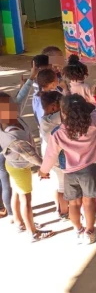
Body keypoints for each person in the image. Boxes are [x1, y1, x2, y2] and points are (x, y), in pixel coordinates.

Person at [39, 72, 96, 245]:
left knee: (74, 204)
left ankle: (78, 230)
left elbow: (51, 155)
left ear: (62, 112)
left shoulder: (58, 133)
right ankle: (91, 231)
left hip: (69, 172)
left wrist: (43, 171)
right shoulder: (92, 122)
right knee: (88, 202)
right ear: (85, 109)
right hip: (89, 170)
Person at [0, 65, 54, 242]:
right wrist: (45, 167)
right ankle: (33, 232)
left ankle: (19, 222)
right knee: (26, 199)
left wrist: (31, 78)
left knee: (17, 192)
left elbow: (21, 98)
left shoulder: (11, 117)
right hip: (19, 166)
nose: (15, 105)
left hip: (13, 165)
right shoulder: (13, 135)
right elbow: (30, 154)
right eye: (10, 105)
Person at [39, 91, 69, 220]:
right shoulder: (53, 119)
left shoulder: (45, 119)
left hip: (51, 156)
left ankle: (60, 208)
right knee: (62, 187)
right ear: (53, 107)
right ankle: (65, 211)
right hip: (56, 158)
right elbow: (67, 113)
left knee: (58, 185)